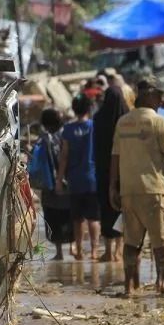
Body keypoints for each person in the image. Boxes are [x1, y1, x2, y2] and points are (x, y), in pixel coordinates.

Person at [110, 81, 164, 295]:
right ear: (150, 95)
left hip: (128, 190)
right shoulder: (158, 122)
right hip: (153, 189)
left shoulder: (123, 122)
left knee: (131, 241)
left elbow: (115, 157)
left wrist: (112, 187)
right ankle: (163, 283)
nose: (162, 100)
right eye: (159, 96)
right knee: (162, 240)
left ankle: (130, 285)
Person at [57, 95, 100, 260]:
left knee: (77, 218)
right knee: (94, 217)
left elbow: (64, 156)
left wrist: (59, 180)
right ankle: (95, 250)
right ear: (89, 109)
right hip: (93, 178)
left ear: (74, 109)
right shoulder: (95, 127)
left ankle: (80, 249)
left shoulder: (68, 129)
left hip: (75, 179)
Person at [92, 85, 130, 262]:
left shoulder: (99, 118)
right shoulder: (127, 118)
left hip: (103, 171)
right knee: (122, 209)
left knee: (106, 208)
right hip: (125, 170)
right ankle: (119, 250)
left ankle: (108, 251)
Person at [37, 108, 73, 260]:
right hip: (68, 184)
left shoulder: (44, 139)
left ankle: (59, 253)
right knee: (70, 216)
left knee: (53, 218)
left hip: (50, 186)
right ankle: (73, 248)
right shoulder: (67, 135)